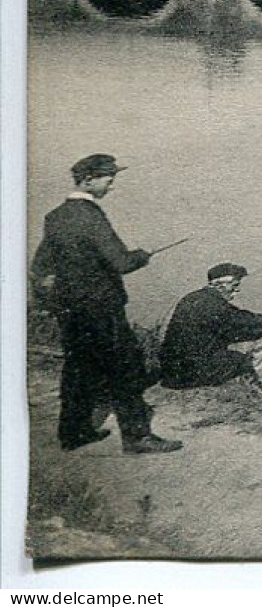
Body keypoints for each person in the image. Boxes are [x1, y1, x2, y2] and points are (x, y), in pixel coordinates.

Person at [29, 154, 182, 454]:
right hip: (102, 311)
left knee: (77, 369)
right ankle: (138, 437)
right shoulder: (91, 216)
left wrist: (57, 301)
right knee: (126, 368)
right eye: (108, 178)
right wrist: (141, 256)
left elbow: (41, 266)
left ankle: (73, 433)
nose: (111, 185)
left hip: (71, 312)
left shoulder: (55, 217)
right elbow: (120, 262)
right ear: (88, 180)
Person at [159, 263, 262, 389]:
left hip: (172, 372)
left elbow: (230, 322)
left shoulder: (192, 298)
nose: (237, 289)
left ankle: (260, 382)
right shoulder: (216, 305)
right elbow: (252, 321)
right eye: (235, 285)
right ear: (220, 286)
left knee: (239, 341)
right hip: (193, 374)